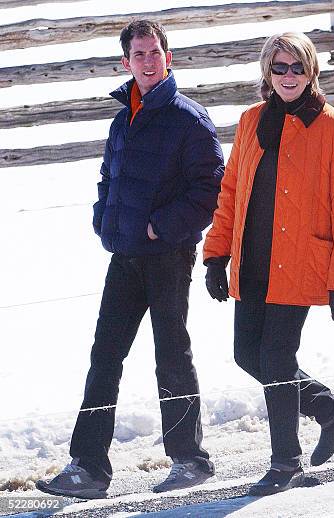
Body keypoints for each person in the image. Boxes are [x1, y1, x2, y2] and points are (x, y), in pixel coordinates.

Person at [36, 20, 224, 499]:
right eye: (138, 54)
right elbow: (108, 178)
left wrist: (163, 226)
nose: (147, 60)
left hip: (167, 256)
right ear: (126, 61)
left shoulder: (189, 119)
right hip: (124, 256)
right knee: (105, 356)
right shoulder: (123, 119)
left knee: (171, 354)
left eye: (154, 52)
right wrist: (105, 220)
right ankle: (89, 468)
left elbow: (210, 189)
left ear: (168, 56)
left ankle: (190, 460)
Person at [203, 32, 334, 496]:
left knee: (275, 356)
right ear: (266, 73)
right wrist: (216, 253)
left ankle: (285, 462)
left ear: (311, 71)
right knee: (247, 354)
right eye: (279, 68)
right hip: (253, 259)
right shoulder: (251, 120)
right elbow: (230, 191)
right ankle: (331, 410)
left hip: (301, 261)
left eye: (297, 68)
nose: (288, 76)